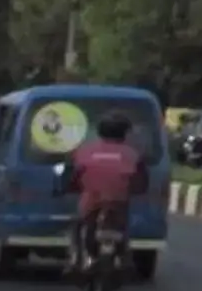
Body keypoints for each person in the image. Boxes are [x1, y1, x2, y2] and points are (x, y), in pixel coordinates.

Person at [57, 108, 147, 272]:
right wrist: (136, 190)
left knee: (78, 225)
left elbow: (72, 176)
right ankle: (125, 257)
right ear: (125, 133)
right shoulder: (133, 154)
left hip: (91, 201)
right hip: (118, 202)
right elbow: (141, 181)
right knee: (123, 227)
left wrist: (65, 189)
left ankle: (76, 258)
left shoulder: (85, 151)